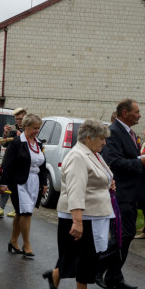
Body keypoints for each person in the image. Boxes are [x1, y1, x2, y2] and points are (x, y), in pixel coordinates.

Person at [42, 119, 115, 289]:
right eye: (102, 138)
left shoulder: (92, 153)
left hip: (94, 215)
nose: (105, 142)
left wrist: (108, 183)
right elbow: (76, 190)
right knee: (83, 262)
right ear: (89, 137)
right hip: (83, 216)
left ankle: (54, 275)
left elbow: (97, 177)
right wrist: (77, 221)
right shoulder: (78, 156)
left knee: (79, 258)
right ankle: (56, 276)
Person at [96, 99, 144, 289]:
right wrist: (140, 162)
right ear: (125, 113)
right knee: (123, 235)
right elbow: (113, 163)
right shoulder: (114, 132)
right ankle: (96, 266)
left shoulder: (129, 132)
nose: (140, 115)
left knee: (127, 235)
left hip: (132, 193)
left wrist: (138, 160)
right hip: (121, 193)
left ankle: (114, 277)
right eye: (137, 112)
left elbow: (129, 157)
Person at [0, 114, 47, 258]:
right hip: (19, 182)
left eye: (38, 128)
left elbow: (43, 165)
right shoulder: (17, 142)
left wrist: (44, 183)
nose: (36, 131)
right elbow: (7, 164)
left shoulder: (38, 143)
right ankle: (26, 244)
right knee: (26, 212)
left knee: (21, 213)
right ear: (26, 127)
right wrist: (3, 183)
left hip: (34, 182)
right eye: (34, 128)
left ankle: (13, 241)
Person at [0, 107, 27, 218]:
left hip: (20, 162)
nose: (18, 121)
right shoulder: (12, 128)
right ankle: (1, 207)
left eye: (20, 119)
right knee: (5, 182)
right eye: (16, 119)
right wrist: (5, 133)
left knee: (17, 185)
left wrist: (21, 138)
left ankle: (15, 208)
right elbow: (4, 144)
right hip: (9, 160)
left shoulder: (28, 129)